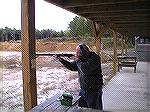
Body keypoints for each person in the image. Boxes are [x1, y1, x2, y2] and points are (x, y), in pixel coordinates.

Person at [56, 43, 103, 110]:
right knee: (81, 109)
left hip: (94, 91)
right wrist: (61, 60)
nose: (76, 54)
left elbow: (85, 69)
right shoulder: (80, 60)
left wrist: (77, 60)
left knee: (94, 109)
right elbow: (71, 67)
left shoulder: (95, 58)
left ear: (84, 52)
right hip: (83, 90)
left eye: (78, 52)